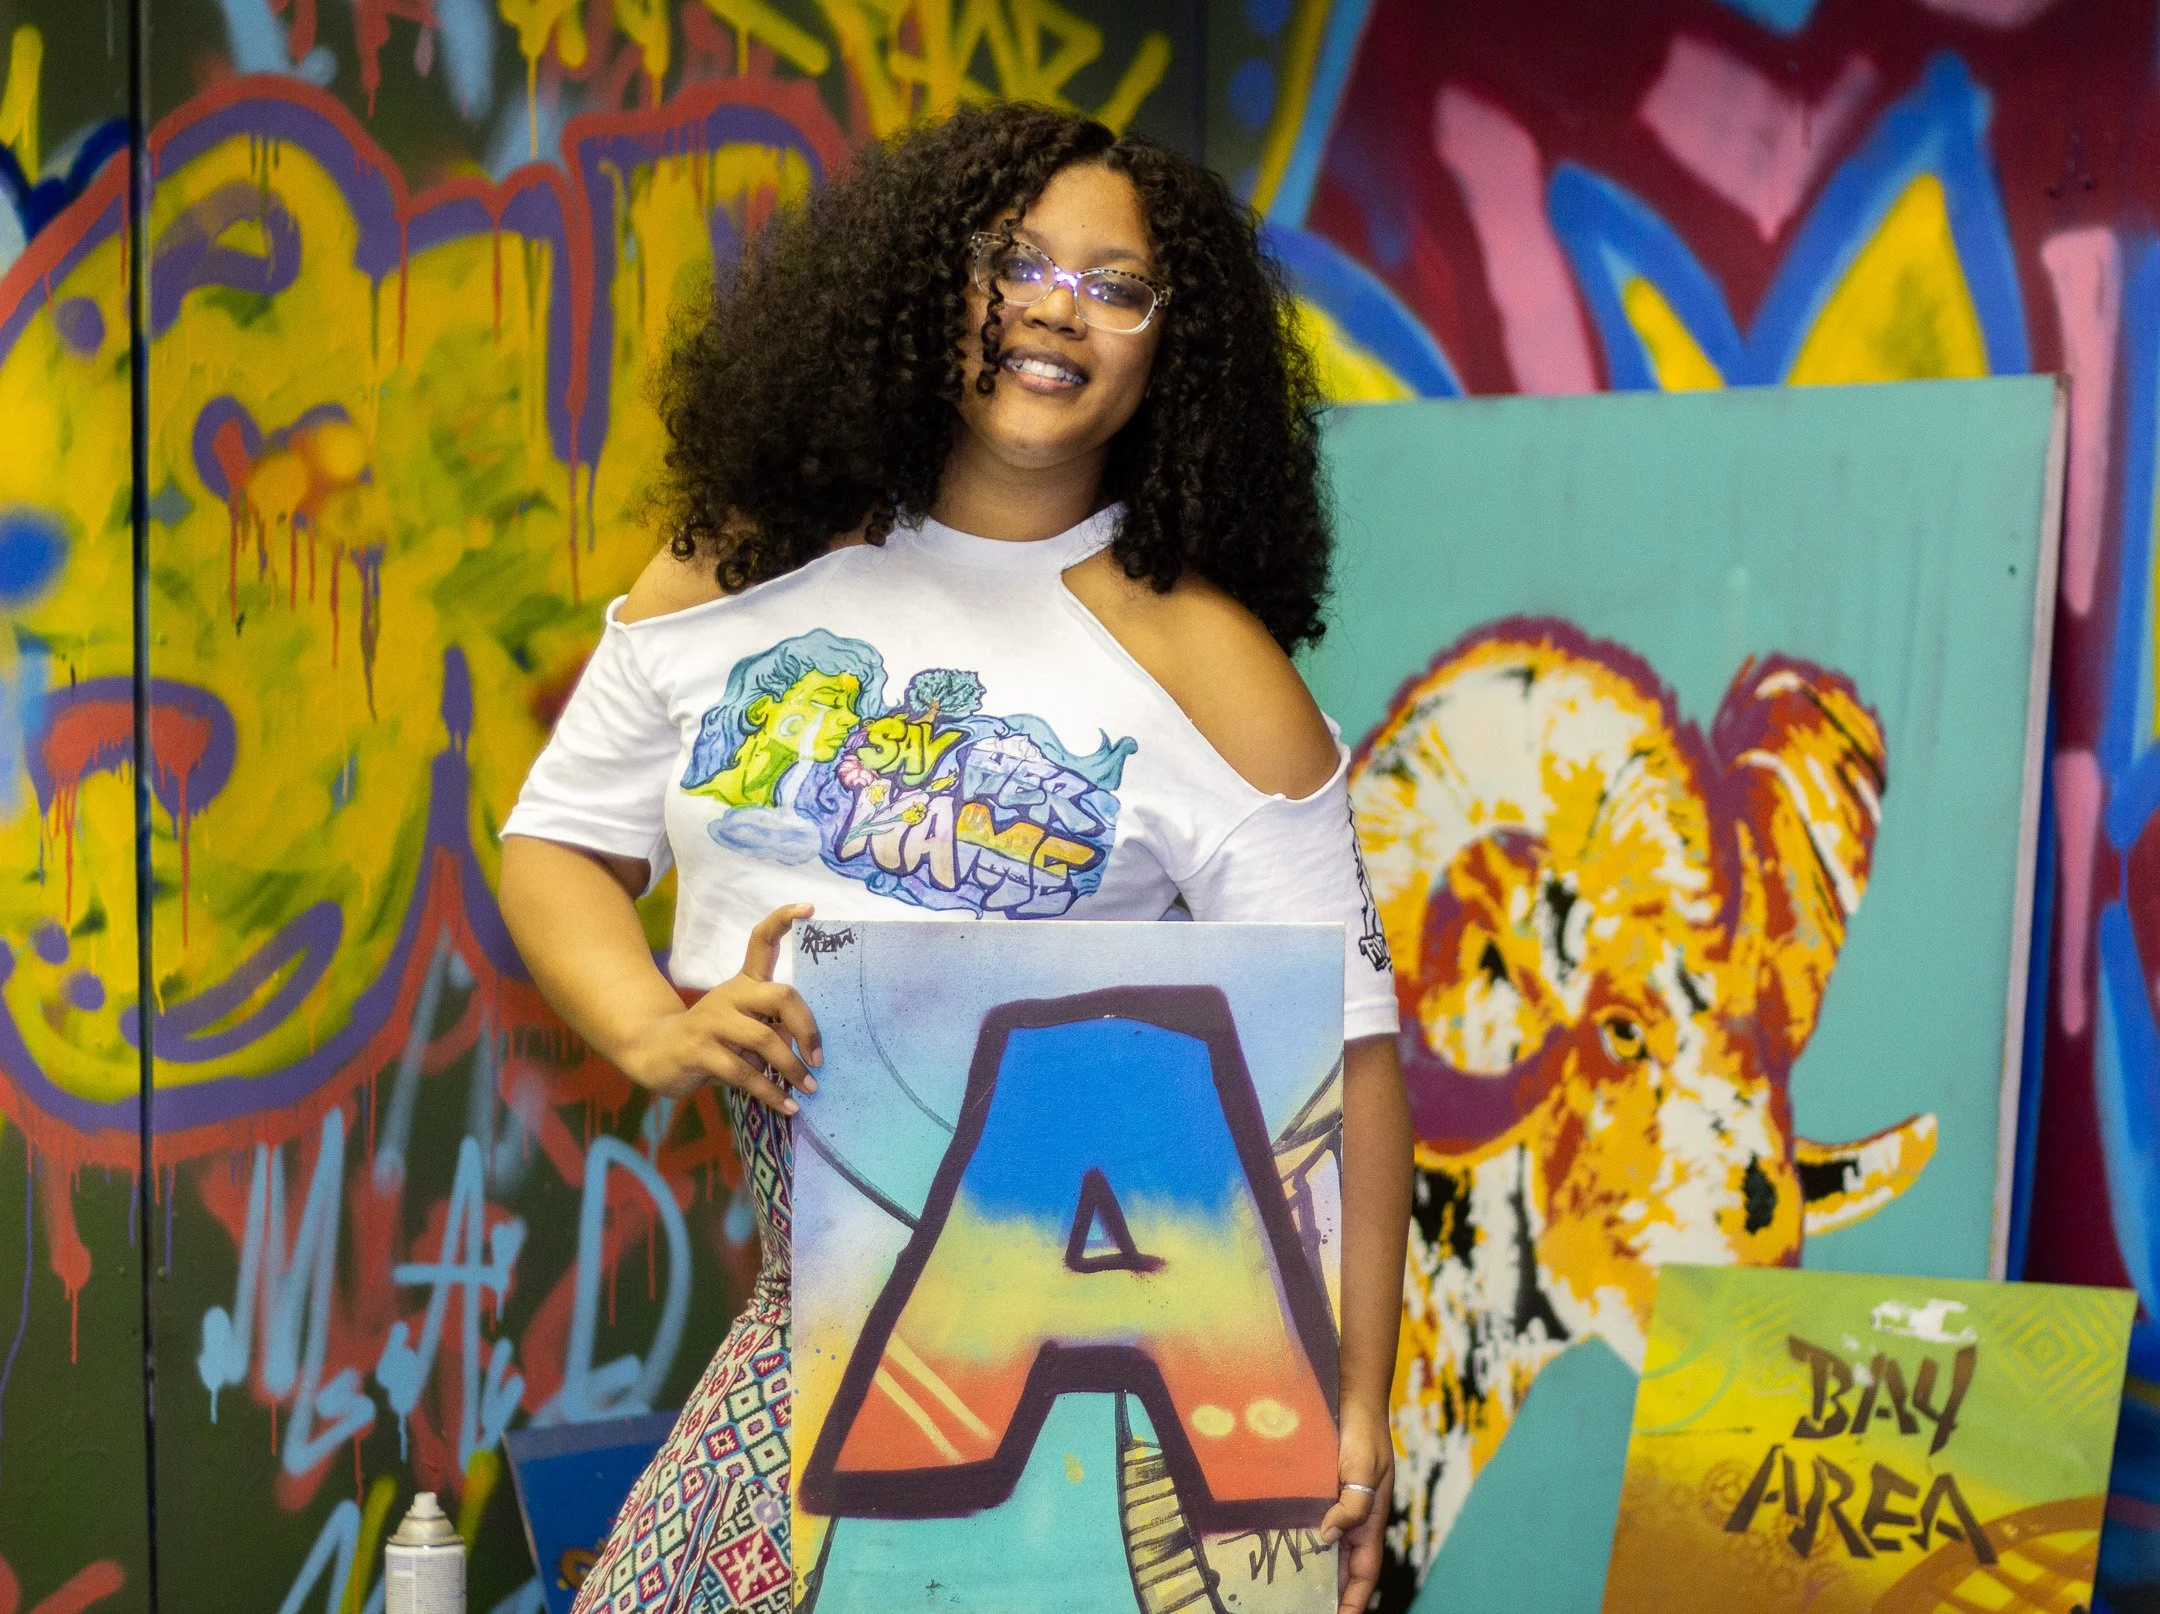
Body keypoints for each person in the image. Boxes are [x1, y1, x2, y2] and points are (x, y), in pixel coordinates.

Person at [499, 99, 1414, 1614]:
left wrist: (1360, 1403)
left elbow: (1354, 1060)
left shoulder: (1212, 665)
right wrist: (653, 1028)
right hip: (805, 1336)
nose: (1062, 309)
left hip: (1107, 1412)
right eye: (1018, 260)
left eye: (1119, 286)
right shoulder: (738, 561)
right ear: (930, 282)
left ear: (1166, 348)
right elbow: (556, 846)